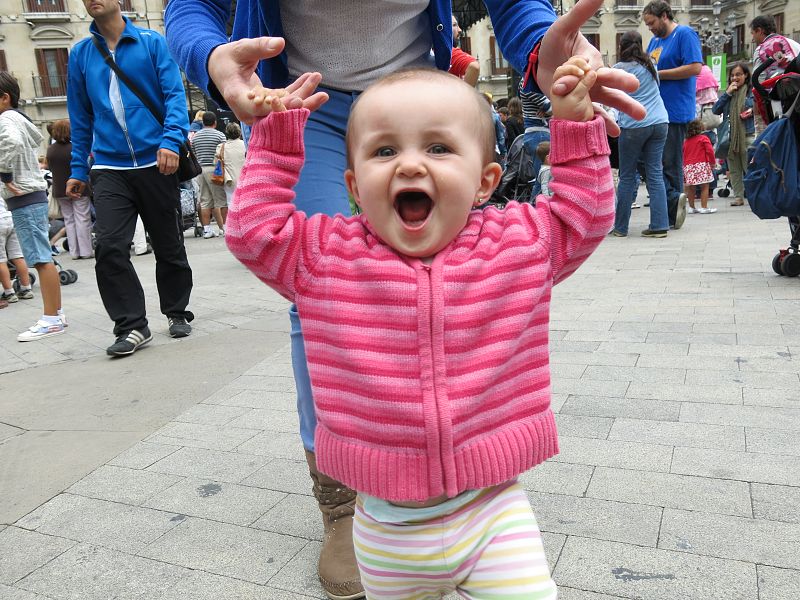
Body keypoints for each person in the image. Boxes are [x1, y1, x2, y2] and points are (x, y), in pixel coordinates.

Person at [163, 1, 643, 596]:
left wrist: (574, 125)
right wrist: (277, 137)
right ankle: (335, 506)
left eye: (439, 150)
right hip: (387, 530)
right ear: (352, 185)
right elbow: (255, 232)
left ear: (486, 181)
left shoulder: (516, 243)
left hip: (494, 512)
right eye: (384, 153)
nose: (410, 162)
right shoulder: (327, 257)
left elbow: (580, 216)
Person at [66, 0, 194, 357]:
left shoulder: (152, 43)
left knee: (169, 245)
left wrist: (170, 142)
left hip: (157, 161)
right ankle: (132, 325)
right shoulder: (80, 55)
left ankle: (176, 310)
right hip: (109, 167)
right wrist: (78, 169)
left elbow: (173, 97)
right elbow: (80, 117)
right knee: (108, 246)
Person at [0, 72, 66, 341]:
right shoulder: (19, 118)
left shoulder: (6, 118)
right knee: (40, 256)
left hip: (24, 195)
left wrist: (4, 173)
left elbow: (12, 143)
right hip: (30, 193)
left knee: (39, 258)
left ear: (4, 98)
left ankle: (52, 318)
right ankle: (55, 315)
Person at [643, 0, 703, 231]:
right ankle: (670, 201)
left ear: (665, 15)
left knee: (670, 162)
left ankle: (673, 211)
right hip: (655, 110)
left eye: (652, 23)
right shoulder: (655, 41)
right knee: (648, 161)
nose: (650, 28)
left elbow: (695, 67)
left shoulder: (684, 34)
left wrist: (659, 74)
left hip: (675, 110)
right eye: (647, 24)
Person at [610, 30, 670, 239]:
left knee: (627, 175)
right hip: (660, 122)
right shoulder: (651, 65)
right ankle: (659, 225)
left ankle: (621, 227)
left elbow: (613, 96)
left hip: (634, 124)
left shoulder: (618, 69)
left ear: (621, 46)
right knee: (655, 174)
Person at [47, 119, 94, 260]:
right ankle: (85, 251)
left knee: (69, 220)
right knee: (82, 219)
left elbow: (50, 169)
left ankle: (74, 252)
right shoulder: (75, 148)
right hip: (78, 187)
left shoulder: (50, 151)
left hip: (60, 190)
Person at [712, 62, 754, 207]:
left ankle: (754, 196)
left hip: (748, 134)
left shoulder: (751, 92)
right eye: (733, 75)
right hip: (731, 137)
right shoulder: (728, 94)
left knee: (750, 168)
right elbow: (715, 110)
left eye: (739, 74)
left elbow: (759, 107)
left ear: (746, 75)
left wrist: (751, 111)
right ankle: (738, 196)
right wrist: (727, 93)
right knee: (734, 169)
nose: (735, 78)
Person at [191, 111, 228, 238]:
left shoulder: (196, 136)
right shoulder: (220, 135)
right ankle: (226, 228)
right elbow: (224, 153)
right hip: (215, 170)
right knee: (221, 200)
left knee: (205, 201)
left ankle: (207, 230)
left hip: (200, 170)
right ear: (215, 122)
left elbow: (193, 153)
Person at [0, 197, 34, 304]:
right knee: (17, 255)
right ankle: (26, 289)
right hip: (9, 218)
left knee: (1, 260)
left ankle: (9, 293)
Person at [682, 118, 717, 214]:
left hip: (688, 166)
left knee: (691, 187)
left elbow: (683, 154)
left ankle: (691, 207)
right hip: (701, 165)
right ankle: (704, 207)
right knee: (705, 186)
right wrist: (713, 162)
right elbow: (710, 151)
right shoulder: (703, 138)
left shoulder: (686, 141)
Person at [216, 122, 246, 207]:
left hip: (229, 180)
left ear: (227, 133)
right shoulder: (246, 145)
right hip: (245, 178)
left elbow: (217, 163)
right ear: (240, 132)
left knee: (231, 203)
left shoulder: (221, 147)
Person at [449, 14, 479, 87]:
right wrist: (466, 97)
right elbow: (474, 66)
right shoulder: (448, 52)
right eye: (454, 25)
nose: (460, 30)